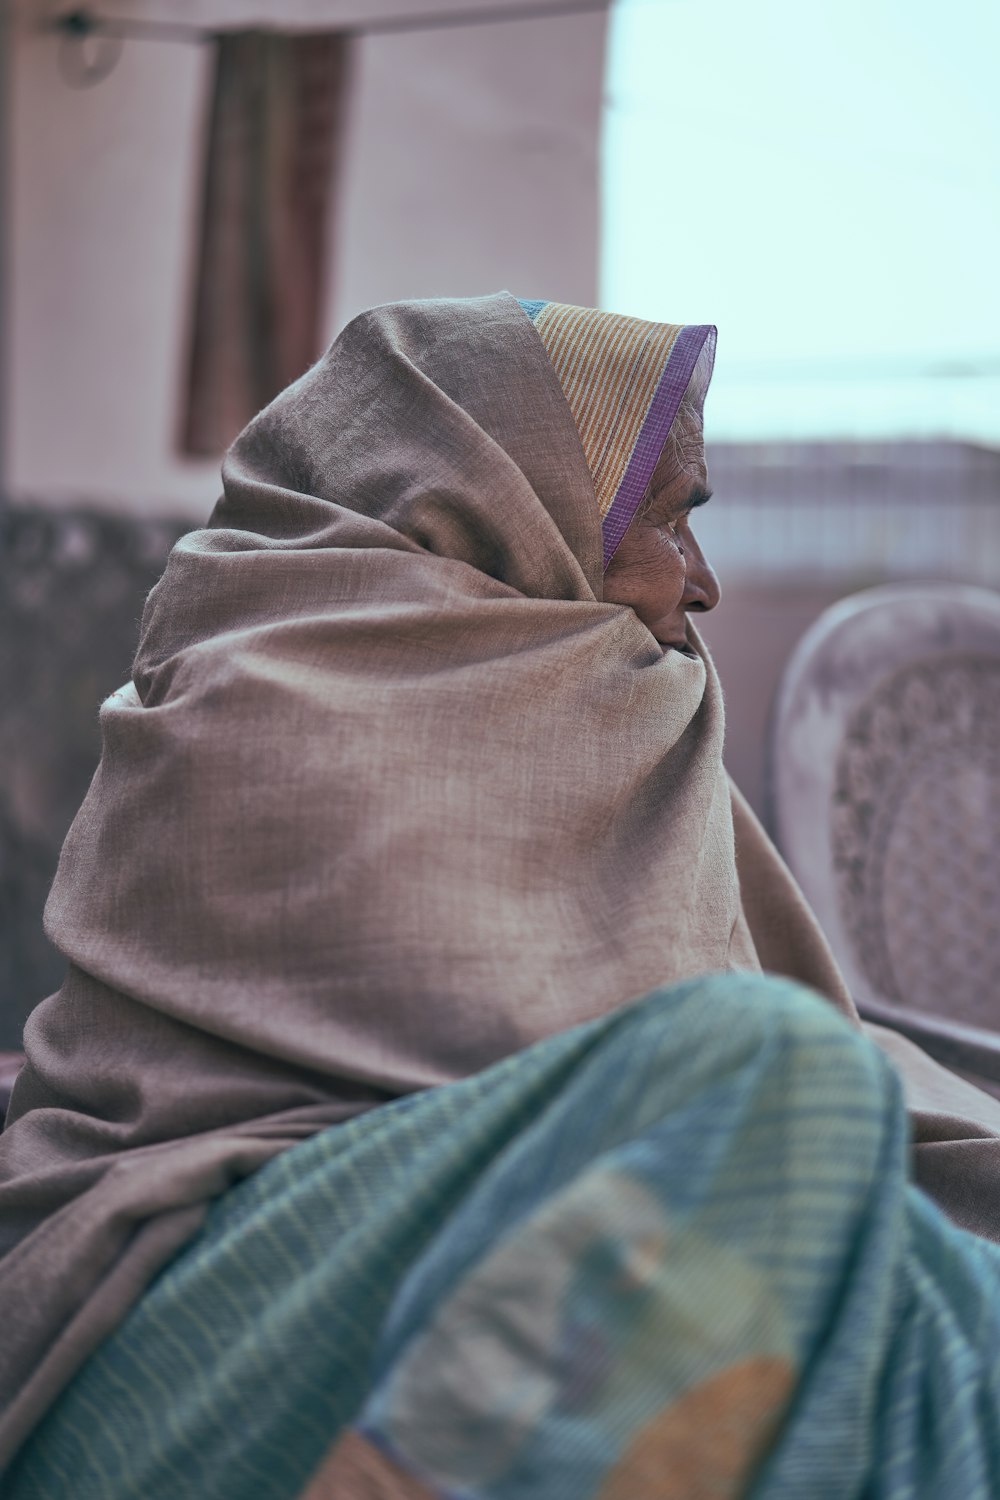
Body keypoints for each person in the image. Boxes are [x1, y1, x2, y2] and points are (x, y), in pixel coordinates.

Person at [2, 293, 1000, 1498]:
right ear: (502, 501)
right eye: (673, 518)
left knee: (922, 1289)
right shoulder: (262, 681)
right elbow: (666, 1063)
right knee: (769, 1073)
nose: (702, 582)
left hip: (505, 1284)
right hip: (194, 1305)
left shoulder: (617, 712)